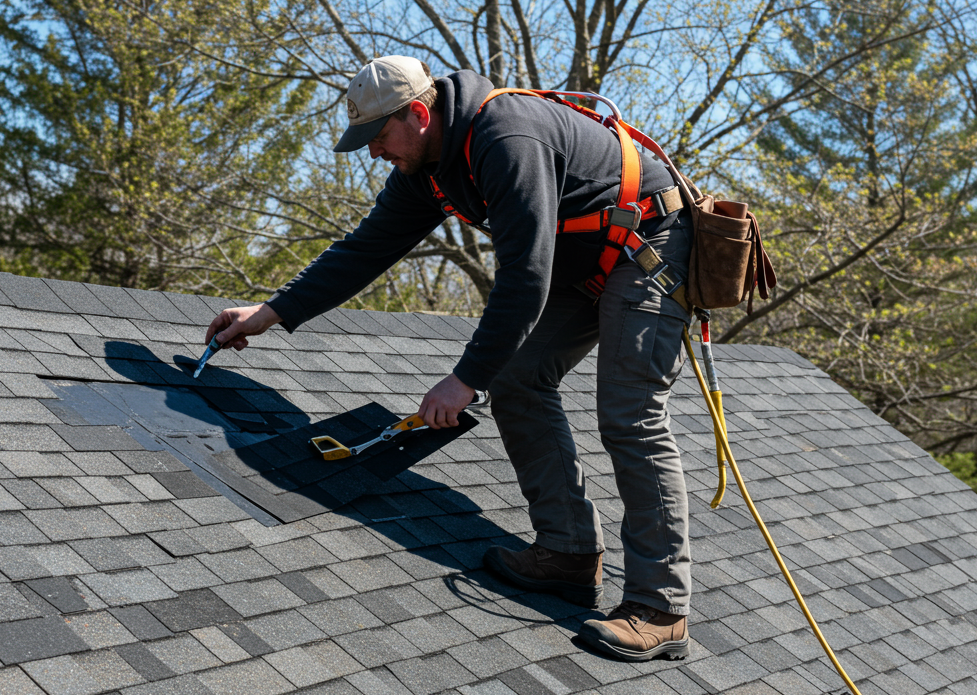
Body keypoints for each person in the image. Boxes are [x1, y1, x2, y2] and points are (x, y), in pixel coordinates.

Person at [204, 55, 693, 661]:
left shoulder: (504, 136)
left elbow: (526, 274)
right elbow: (365, 250)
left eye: (379, 137)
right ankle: (568, 553)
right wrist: (270, 313)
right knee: (516, 378)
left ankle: (660, 607)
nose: (376, 152)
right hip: (586, 259)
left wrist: (463, 379)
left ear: (417, 114)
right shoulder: (427, 167)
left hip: (649, 249)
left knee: (629, 415)